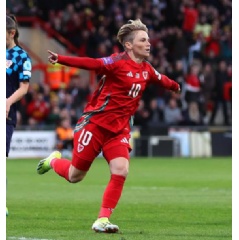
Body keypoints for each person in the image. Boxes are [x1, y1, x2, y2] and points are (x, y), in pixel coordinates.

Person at [37, 19, 180, 233]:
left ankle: (102, 220)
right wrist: (61, 59)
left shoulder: (146, 69)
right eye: (143, 40)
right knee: (75, 176)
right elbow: (92, 63)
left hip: (119, 130)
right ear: (129, 45)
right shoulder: (116, 62)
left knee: (121, 170)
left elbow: (161, 79)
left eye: (148, 39)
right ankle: (54, 161)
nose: (149, 43)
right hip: (95, 125)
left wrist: (175, 86)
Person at [6, 14, 32, 215]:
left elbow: (24, 88)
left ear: (11, 33)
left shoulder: (21, 57)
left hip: (5, 115)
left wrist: (7, 102)